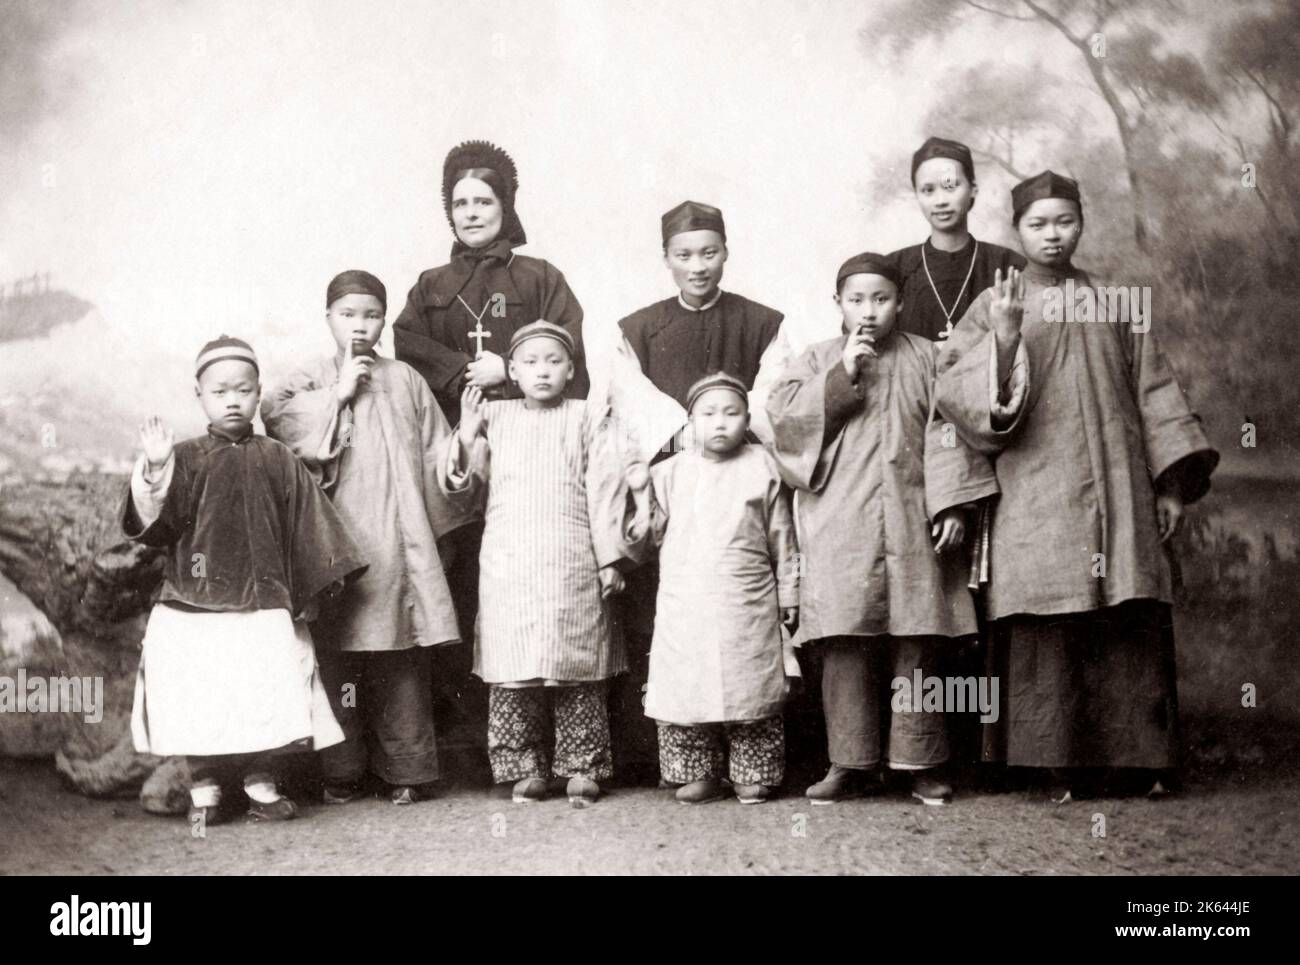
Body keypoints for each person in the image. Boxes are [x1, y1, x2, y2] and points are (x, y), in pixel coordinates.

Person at [934, 171, 1218, 801]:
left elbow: (1156, 393)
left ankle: (1136, 762)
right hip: (1036, 493)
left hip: (1119, 485)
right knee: (1049, 617)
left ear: (1082, 224)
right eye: (1038, 224)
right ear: (1017, 231)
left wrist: (1169, 485)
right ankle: (1053, 765)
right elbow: (958, 401)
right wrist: (1007, 337)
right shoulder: (993, 305)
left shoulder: (1116, 303)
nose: (1053, 235)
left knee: (1126, 611)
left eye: (1065, 221)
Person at [767, 254, 998, 806]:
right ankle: (850, 762)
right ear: (838, 304)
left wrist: (951, 505)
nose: (868, 311)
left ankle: (919, 762)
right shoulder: (815, 359)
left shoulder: (930, 358)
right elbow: (785, 425)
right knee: (846, 642)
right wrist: (841, 374)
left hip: (915, 518)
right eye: (856, 300)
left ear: (899, 302)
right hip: (840, 523)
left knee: (918, 639)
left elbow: (952, 433)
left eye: (881, 299)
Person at [123, 336, 366, 825]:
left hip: (263, 599)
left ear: (258, 394)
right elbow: (157, 527)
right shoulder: (185, 457)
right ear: (200, 396)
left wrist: (310, 590)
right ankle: (205, 788)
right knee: (203, 695)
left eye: (244, 390)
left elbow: (307, 524)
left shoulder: (277, 457)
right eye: (220, 392)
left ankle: (260, 782)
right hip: (193, 603)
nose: (233, 400)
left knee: (264, 693)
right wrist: (154, 468)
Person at [262, 270, 471, 806]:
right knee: (338, 658)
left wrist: (459, 460)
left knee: (402, 654)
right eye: (348, 314)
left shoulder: (405, 378)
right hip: (339, 547)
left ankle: (408, 769)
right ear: (328, 317)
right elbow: (281, 426)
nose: (360, 325)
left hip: (401, 542)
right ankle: (342, 771)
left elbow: (433, 451)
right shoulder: (309, 377)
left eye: (372, 314)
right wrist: (338, 395)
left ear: (384, 320)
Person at [393, 140, 590, 708]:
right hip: (457, 446)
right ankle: (468, 731)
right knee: (459, 579)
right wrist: (459, 372)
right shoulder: (430, 285)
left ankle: (541, 710)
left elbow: (572, 355)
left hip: (533, 449)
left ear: (506, 206)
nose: (472, 213)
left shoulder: (539, 278)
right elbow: (405, 345)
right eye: (460, 203)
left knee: (531, 580)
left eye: (484, 201)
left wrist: (508, 370)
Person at [609, 200, 793, 779]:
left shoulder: (764, 322)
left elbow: (775, 396)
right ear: (666, 258)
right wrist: (684, 432)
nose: (698, 266)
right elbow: (627, 396)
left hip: (742, 475)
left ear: (725, 254)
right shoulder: (638, 328)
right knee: (674, 629)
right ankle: (676, 763)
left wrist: (728, 430)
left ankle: (752, 764)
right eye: (685, 255)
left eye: (709, 253)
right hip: (674, 480)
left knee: (745, 635)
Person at [441, 320, 631, 808]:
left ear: (570, 370)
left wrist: (610, 558)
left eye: (553, 361)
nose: (542, 371)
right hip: (510, 558)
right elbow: (465, 490)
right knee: (514, 665)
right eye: (530, 362)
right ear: (511, 371)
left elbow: (607, 488)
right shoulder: (495, 416)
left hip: (574, 555)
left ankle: (583, 767)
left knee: (578, 663)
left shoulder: (588, 416)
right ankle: (522, 767)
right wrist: (465, 432)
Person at [623, 373, 799, 805]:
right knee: (688, 682)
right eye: (708, 413)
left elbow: (783, 538)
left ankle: (752, 771)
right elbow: (644, 544)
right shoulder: (667, 473)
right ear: (689, 423)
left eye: (731, 413)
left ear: (748, 419)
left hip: (749, 598)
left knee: (751, 682)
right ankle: (696, 771)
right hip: (687, 600)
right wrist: (641, 495)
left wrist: (790, 594)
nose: (720, 422)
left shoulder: (764, 467)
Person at [890, 136, 1024, 343]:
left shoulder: (1009, 266)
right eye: (928, 190)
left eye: (950, 187)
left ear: (973, 189)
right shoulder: (893, 270)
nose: (941, 201)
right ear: (917, 194)